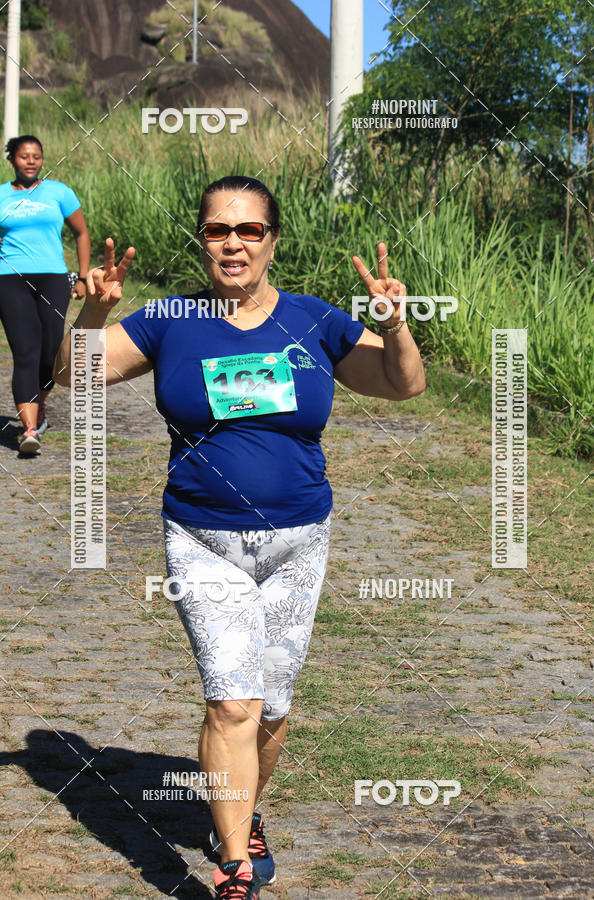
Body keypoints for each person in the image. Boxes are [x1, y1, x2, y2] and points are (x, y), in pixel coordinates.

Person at [53, 175, 426, 899]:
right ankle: (234, 865)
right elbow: (75, 376)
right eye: (219, 230)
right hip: (202, 539)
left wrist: (398, 322)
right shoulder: (171, 320)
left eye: (248, 230)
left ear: (272, 240)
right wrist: (93, 312)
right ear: (203, 239)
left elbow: (401, 383)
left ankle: (244, 807)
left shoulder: (316, 321)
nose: (233, 243)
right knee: (232, 700)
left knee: (273, 704)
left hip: (299, 542)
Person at [0, 134, 90, 455]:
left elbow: (81, 232)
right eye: (24, 156)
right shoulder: (0, 196)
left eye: (36, 156)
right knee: (25, 351)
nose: (31, 161)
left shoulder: (59, 192)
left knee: (50, 350)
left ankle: (40, 404)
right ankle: (29, 429)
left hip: (53, 278)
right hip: (10, 279)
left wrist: (81, 276)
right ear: (12, 160)